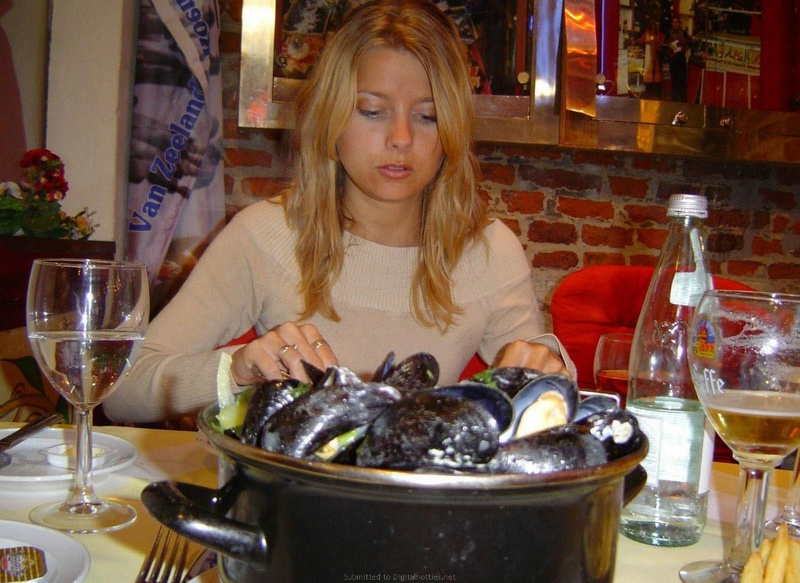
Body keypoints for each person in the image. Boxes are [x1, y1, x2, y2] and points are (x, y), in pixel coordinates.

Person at [103, 0, 575, 424]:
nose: (401, 139)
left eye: (427, 116)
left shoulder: (489, 251)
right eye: (371, 111)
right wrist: (236, 370)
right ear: (331, 117)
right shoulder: (264, 235)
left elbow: (543, 396)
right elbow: (122, 390)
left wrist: (546, 367)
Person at [664, 16, 689, 102]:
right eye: (674, 22)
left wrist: (684, 45)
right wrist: (670, 46)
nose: (675, 24)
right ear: (672, 23)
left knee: (682, 78)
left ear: (679, 23)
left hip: (681, 58)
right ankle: (674, 98)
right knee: (674, 78)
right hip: (672, 58)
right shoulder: (668, 32)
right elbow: (665, 44)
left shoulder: (683, 32)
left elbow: (687, 43)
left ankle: (683, 98)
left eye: (677, 22)